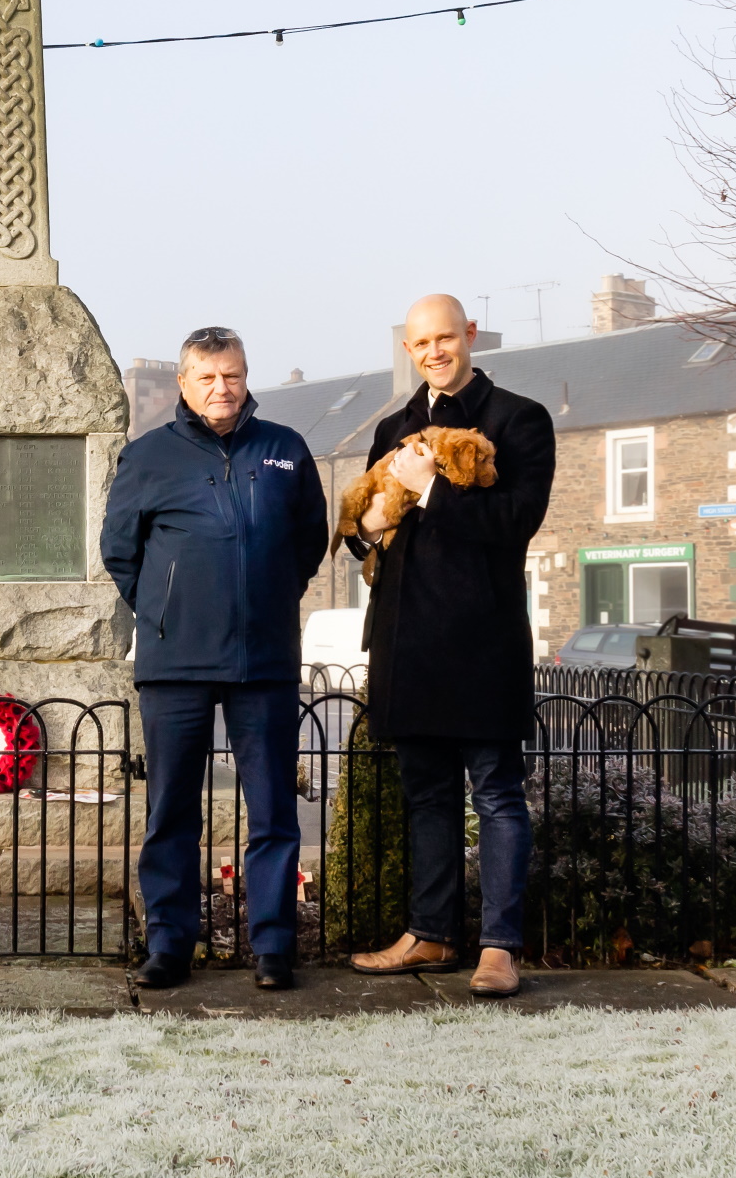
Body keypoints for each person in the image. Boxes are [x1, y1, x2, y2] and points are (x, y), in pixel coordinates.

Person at [100, 326, 327, 992]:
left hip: (267, 662)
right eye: (208, 377)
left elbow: (310, 540)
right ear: (184, 383)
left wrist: (273, 591)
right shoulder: (147, 457)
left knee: (273, 811)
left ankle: (274, 947)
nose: (222, 388)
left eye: (232, 375)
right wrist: (166, 608)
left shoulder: (284, 449)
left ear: (246, 375)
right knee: (171, 810)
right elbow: (120, 551)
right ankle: (169, 945)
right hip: (175, 664)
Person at [346, 294, 555, 997]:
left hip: (483, 638)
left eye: (446, 336)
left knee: (497, 794)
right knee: (427, 795)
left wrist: (432, 488)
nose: (435, 350)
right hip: (408, 639)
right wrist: (369, 525)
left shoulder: (520, 418)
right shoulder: (392, 426)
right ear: (409, 350)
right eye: (421, 342)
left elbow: (517, 520)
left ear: (469, 335)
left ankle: (500, 948)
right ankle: (430, 934)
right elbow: (362, 531)